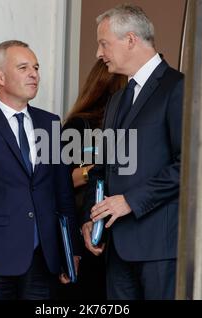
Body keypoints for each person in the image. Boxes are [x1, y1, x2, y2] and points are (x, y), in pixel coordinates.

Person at [0, 40, 80, 300]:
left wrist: (71, 250)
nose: (34, 74)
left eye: (36, 67)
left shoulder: (50, 123)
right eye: (23, 68)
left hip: (45, 261)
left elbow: (63, 192)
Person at [81, 4, 184, 300]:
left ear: (130, 39)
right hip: (116, 250)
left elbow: (188, 165)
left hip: (160, 250)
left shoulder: (178, 88)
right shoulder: (115, 100)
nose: (98, 54)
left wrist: (130, 201)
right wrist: (92, 219)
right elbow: (101, 169)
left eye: (103, 43)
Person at [56, 60, 127, 300]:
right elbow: (62, 178)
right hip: (86, 227)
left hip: (117, 231)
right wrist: (97, 169)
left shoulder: (125, 126)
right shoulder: (78, 126)